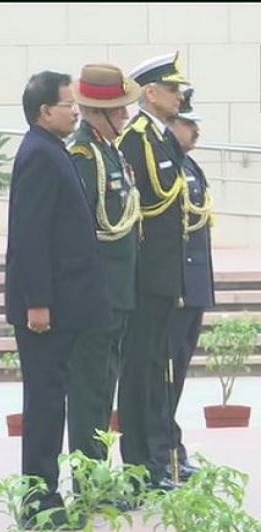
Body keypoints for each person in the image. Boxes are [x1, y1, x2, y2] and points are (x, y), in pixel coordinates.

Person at [5, 70, 110, 525]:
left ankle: (47, 496)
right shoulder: (38, 155)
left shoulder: (55, 151)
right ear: (45, 111)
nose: (75, 110)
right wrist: (38, 302)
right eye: (68, 104)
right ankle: (38, 502)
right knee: (45, 403)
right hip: (47, 308)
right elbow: (31, 236)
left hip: (68, 302)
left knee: (53, 398)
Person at [117, 51, 191, 490]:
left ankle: (156, 456)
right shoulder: (139, 138)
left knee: (156, 369)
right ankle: (140, 462)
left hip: (164, 275)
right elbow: (145, 207)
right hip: (145, 276)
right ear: (150, 92)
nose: (180, 95)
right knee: (141, 370)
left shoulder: (161, 138)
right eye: (173, 88)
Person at [66, 64, 142, 462]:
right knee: (90, 390)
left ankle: (97, 469)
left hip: (117, 291)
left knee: (103, 387)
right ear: (97, 113)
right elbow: (85, 230)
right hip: (97, 294)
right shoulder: (82, 155)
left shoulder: (107, 152)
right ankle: (87, 475)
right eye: (119, 110)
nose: (126, 117)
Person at [165, 88, 215, 480]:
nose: (195, 130)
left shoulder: (189, 167)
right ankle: (165, 450)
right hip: (174, 289)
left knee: (177, 374)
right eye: (188, 123)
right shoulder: (167, 166)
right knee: (165, 375)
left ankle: (171, 448)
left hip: (192, 286)